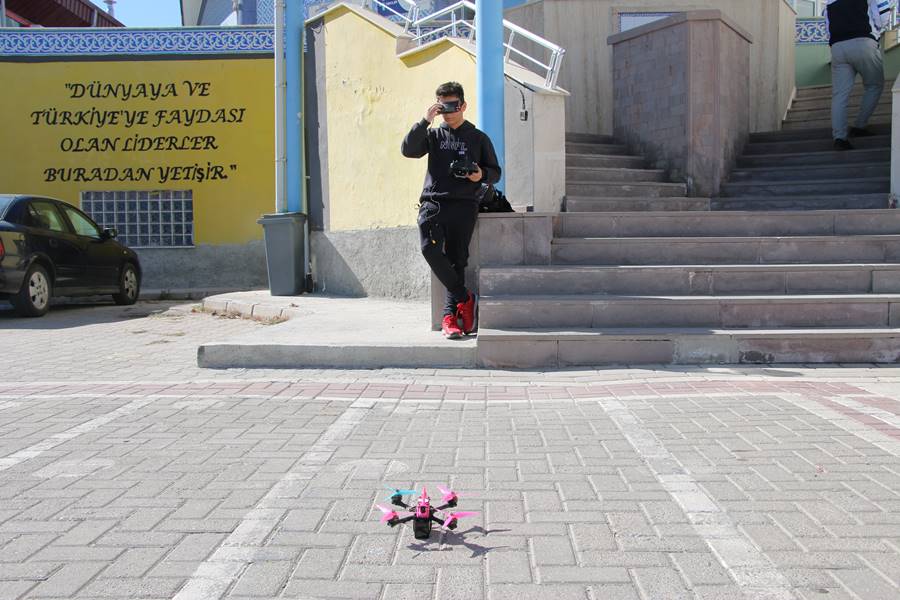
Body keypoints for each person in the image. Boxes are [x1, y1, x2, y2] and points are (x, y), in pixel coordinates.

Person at [401, 82, 501, 339]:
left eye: (452, 106)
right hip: (434, 204)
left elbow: (495, 172)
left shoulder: (478, 138)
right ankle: (464, 297)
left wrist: (479, 174)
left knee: (458, 260)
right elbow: (409, 150)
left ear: (463, 106)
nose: (448, 111)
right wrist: (425, 120)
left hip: (465, 205)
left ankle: (450, 318)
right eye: (442, 106)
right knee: (429, 249)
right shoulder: (433, 135)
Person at [825, 0, 891, 150]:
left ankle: (839, 138)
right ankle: (859, 126)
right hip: (863, 41)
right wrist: (877, 30)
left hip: (837, 47)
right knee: (874, 85)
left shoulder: (829, 1)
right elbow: (883, 11)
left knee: (839, 95)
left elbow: (827, 26)